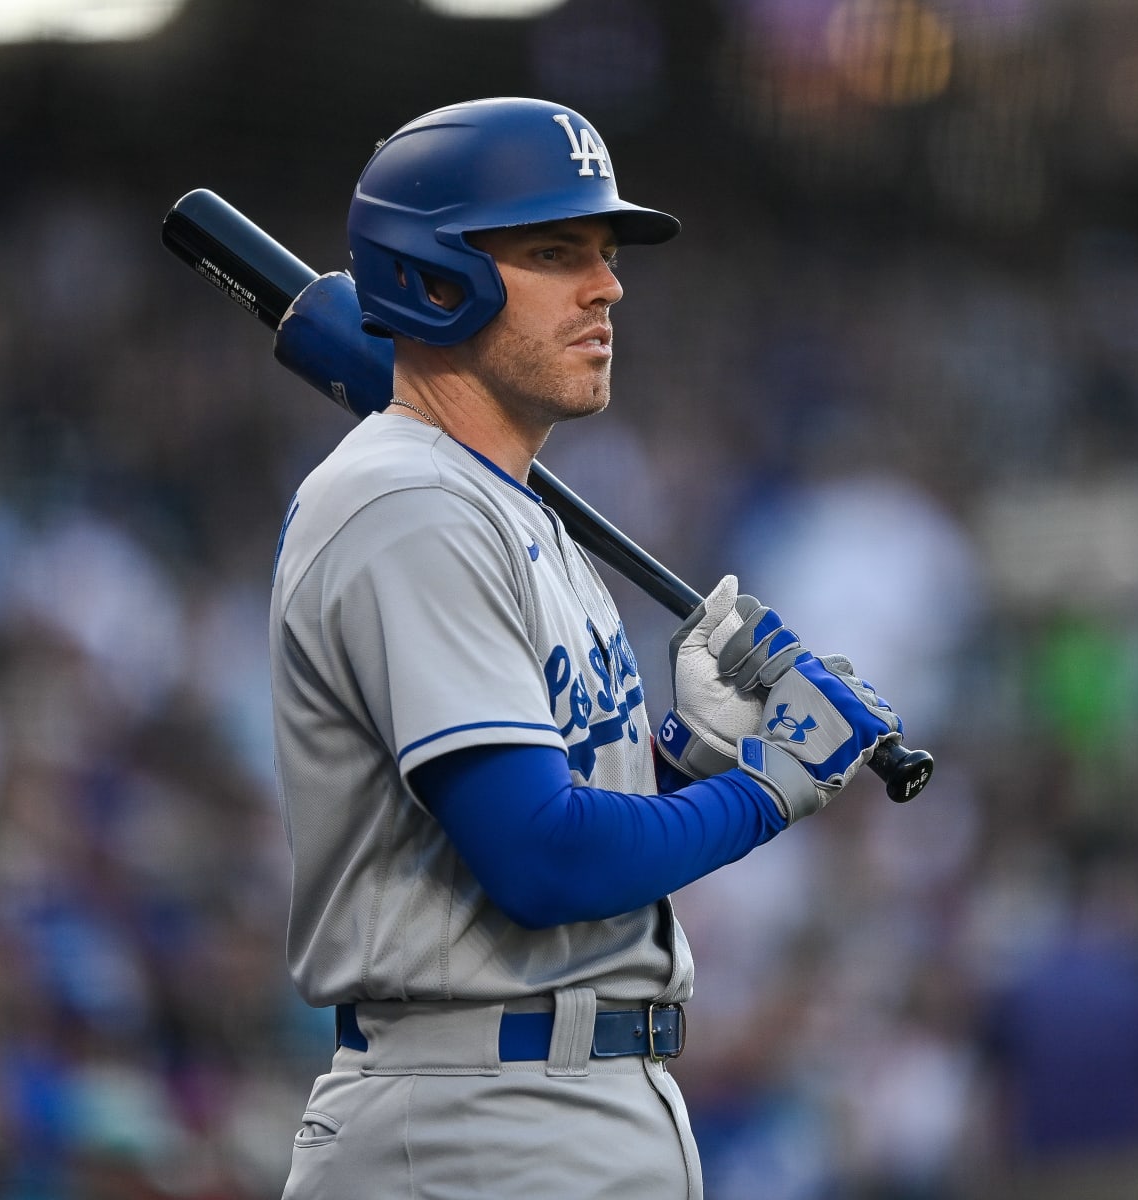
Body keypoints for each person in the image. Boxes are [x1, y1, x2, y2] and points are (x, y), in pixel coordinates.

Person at [269, 97, 906, 1199]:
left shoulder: (504, 510)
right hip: (480, 1122)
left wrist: (681, 761)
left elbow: (516, 818)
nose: (608, 287)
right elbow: (541, 859)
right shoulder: (407, 504)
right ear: (431, 277)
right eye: (557, 253)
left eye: (605, 256)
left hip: (551, 1103)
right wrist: (768, 788)